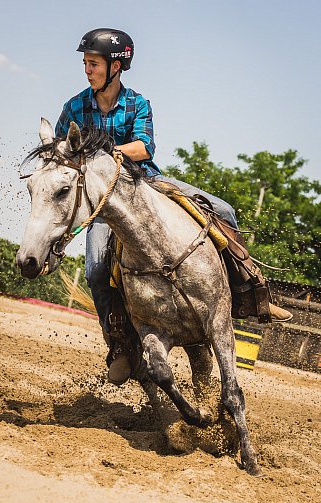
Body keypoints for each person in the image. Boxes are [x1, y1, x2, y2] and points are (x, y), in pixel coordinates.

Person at [56, 28, 292, 385]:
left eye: (94, 63)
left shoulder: (138, 104)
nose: (87, 70)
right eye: (85, 63)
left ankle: (251, 294)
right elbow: (62, 150)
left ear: (116, 66)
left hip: (145, 182)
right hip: (104, 203)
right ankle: (119, 346)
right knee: (94, 270)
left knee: (223, 210)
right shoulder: (73, 108)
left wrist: (110, 156)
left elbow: (145, 147)